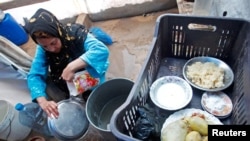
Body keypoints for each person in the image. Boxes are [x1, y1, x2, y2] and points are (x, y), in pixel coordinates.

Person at [26, 8, 110, 118]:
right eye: (45, 46)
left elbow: (100, 51)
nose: (51, 49)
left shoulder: (76, 34)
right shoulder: (42, 49)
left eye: (53, 43)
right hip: (69, 81)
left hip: (89, 73)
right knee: (74, 97)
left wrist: (71, 67)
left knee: (101, 96)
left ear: (58, 32)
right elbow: (35, 75)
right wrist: (42, 101)